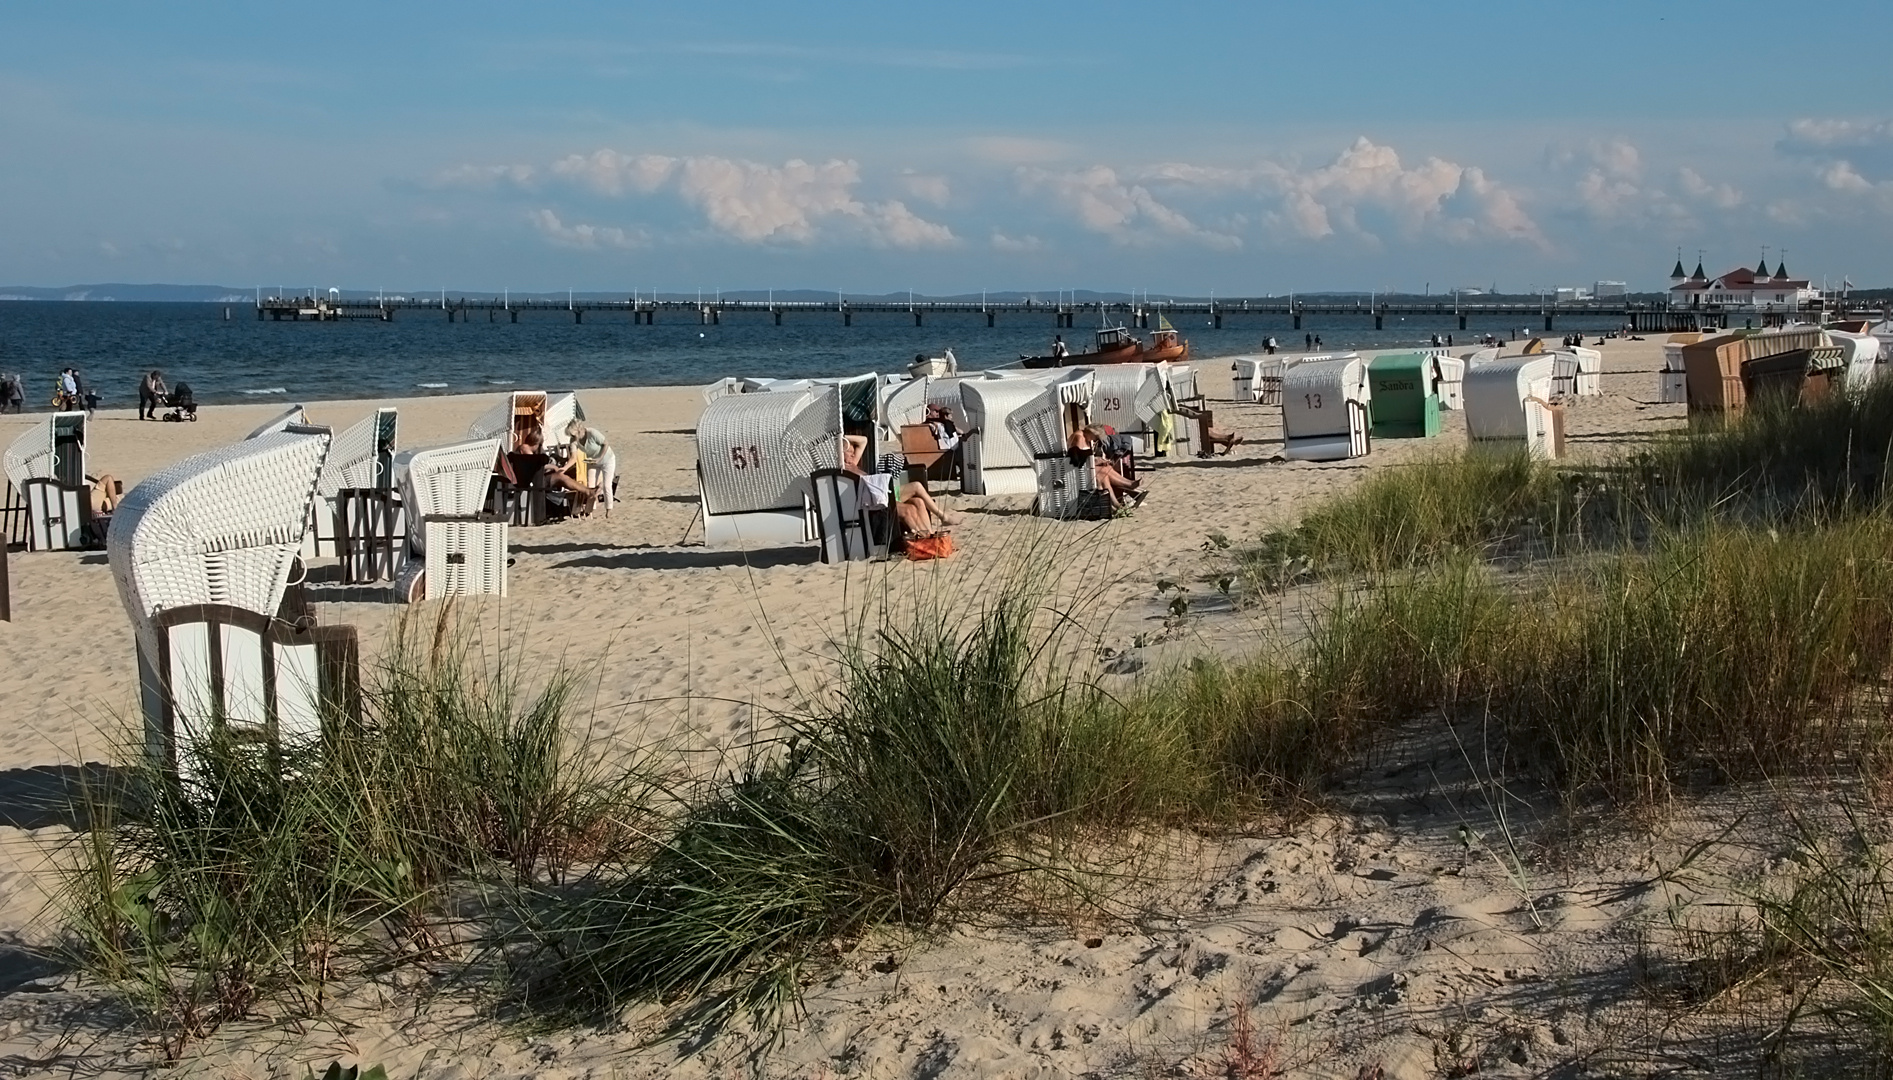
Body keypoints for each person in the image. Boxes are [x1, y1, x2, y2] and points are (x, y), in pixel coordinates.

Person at [1067, 426, 1142, 510]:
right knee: (1102, 473)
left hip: (1086, 467)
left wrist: (1100, 460)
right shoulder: (1079, 438)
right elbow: (1078, 459)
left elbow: (1085, 457)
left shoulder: (1085, 437)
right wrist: (1097, 461)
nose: (1095, 440)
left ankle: (1127, 485)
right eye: (1095, 437)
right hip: (1079, 470)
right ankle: (1118, 498)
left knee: (1107, 468)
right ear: (1091, 433)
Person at [565, 419, 617, 515]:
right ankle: (590, 510)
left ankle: (608, 509)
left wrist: (599, 458)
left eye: (573, 434)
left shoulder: (592, 433)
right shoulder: (573, 441)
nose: (572, 437)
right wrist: (564, 468)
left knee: (607, 485)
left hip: (607, 459)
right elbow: (573, 458)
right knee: (590, 486)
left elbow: (605, 443)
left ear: (579, 430)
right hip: (592, 461)